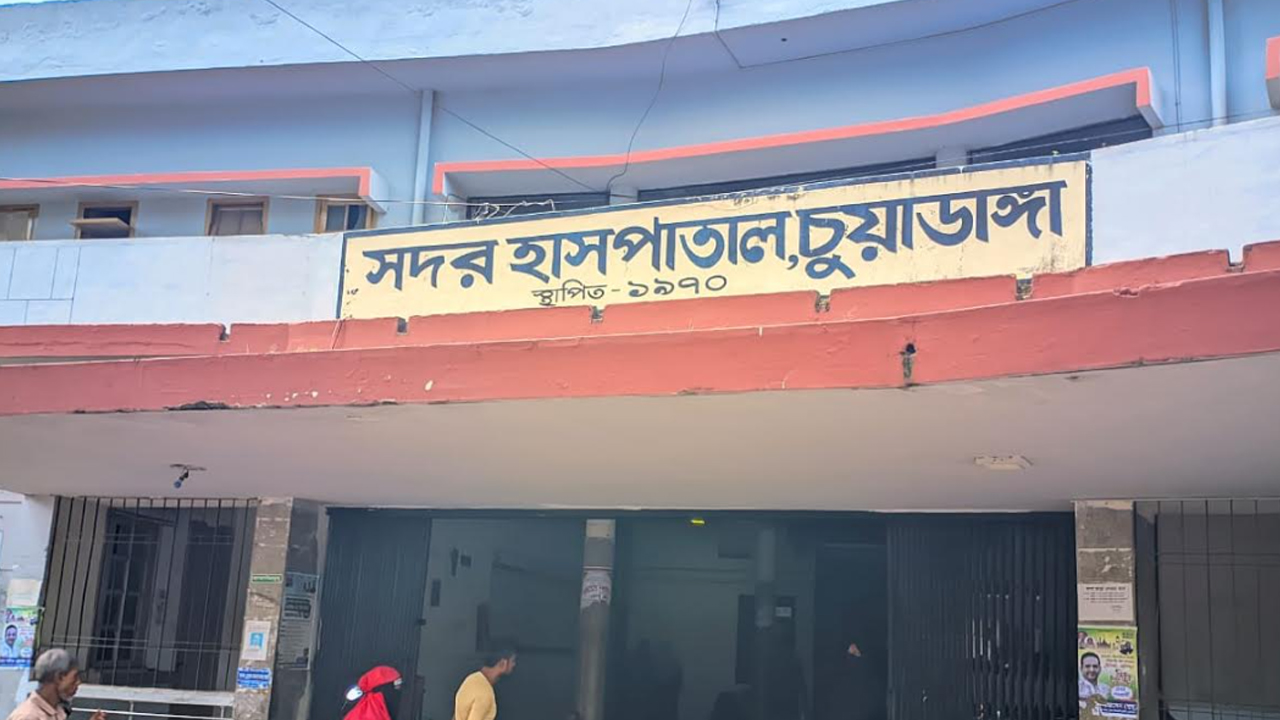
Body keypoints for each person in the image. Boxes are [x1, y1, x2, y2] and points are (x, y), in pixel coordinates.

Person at [6, 649, 106, 720]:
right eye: (74, 677)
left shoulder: (56, 710)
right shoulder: (28, 716)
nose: (78, 682)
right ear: (59, 677)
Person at [453, 646, 517, 720]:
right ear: (503, 663)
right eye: (513, 661)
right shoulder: (485, 694)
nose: (514, 664)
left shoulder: (472, 679)